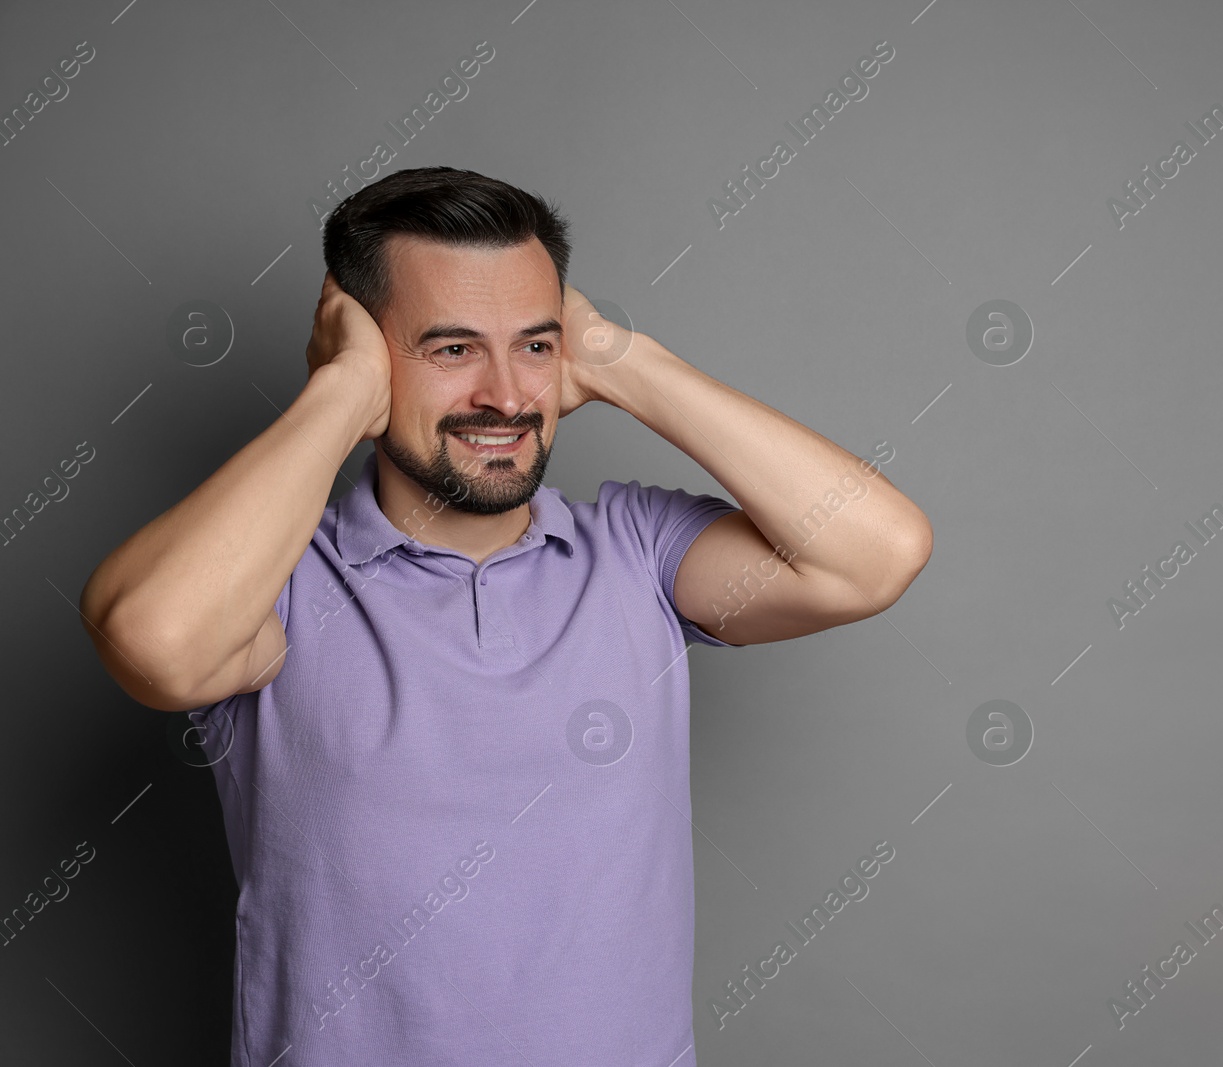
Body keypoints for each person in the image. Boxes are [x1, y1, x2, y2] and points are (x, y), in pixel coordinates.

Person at [77, 166, 932, 1067]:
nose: (507, 396)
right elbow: (156, 642)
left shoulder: (639, 554)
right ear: (364, 353)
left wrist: (611, 354)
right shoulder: (278, 585)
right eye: (451, 350)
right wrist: (338, 392)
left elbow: (877, 554)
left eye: (534, 346)